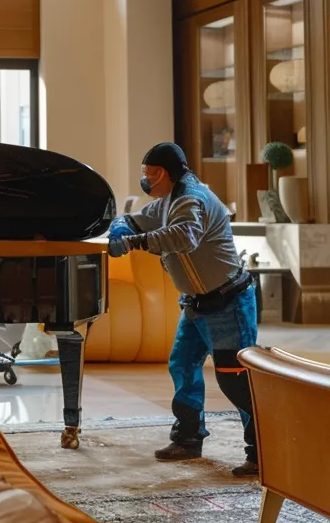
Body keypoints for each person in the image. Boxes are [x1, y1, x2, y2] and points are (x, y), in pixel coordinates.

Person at [108, 142, 259, 477]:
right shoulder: (167, 202)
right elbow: (134, 219)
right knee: (182, 364)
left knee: (236, 380)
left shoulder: (193, 199)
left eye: (148, 173)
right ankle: (188, 438)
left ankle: (261, 452)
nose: (145, 180)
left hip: (228, 303)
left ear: (163, 173)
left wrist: (134, 242)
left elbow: (184, 235)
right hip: (196, 305)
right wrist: (122, 226)